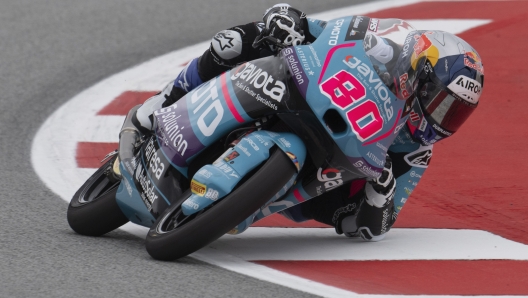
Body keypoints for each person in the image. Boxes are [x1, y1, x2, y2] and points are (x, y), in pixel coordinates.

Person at [121, 3, 485, 241]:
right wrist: (292, 22)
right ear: (420, 75)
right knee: (237, 41)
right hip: (307, 89)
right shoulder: (386, 49)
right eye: (441, 102)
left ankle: (239, 200)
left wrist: (382, 191)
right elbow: (329, 31)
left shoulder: (417, 149)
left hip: (323, 173)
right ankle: (165, 100)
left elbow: (380, 225)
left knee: (348, 214)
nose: (441, 117)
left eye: (454, 112)